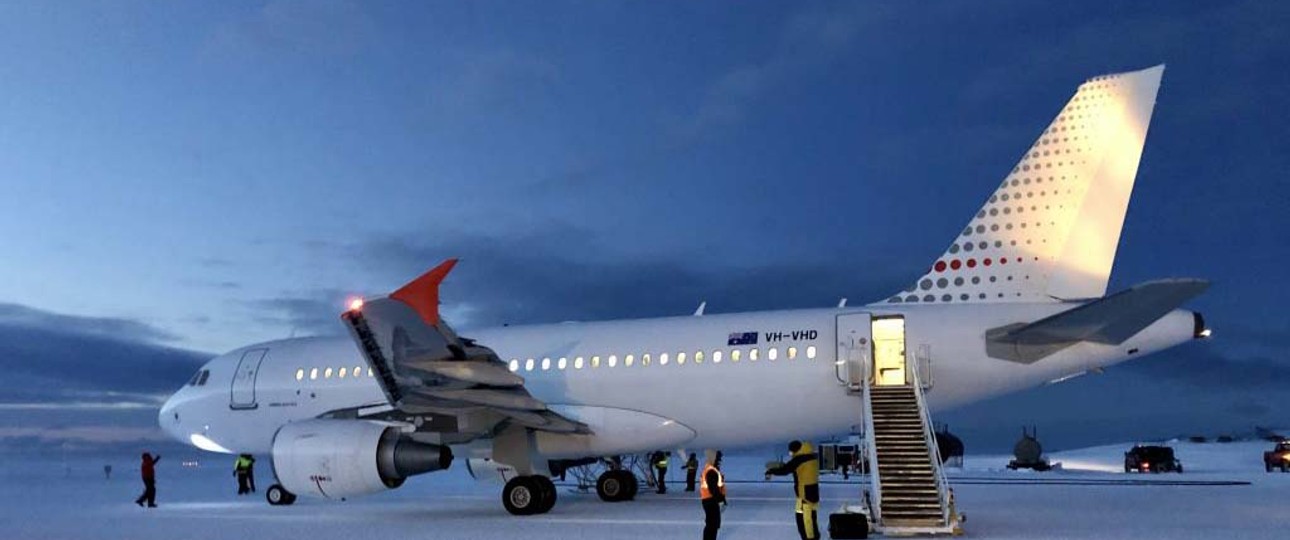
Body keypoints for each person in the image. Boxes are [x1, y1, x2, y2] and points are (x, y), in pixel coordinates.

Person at [765, 441, 820, 540]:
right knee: (810, 517)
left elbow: (785, 470)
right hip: (813, 492)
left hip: (804, 494)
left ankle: (810, 538)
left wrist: (771, 471)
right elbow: (794, 467)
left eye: (791, 450)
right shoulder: (811, 456)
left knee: (805, 520)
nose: (790, 453)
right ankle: (814, 536)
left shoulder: (799, 459)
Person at [700, 450, 726, 540]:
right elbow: (713, 488)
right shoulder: (711, 471)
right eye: (718, 459)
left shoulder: (712, 469)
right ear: (713, 458)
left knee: (713, 524)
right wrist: (721, 500)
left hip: (710, 500)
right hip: (710, 500)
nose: (719, 461)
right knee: (712, 525)